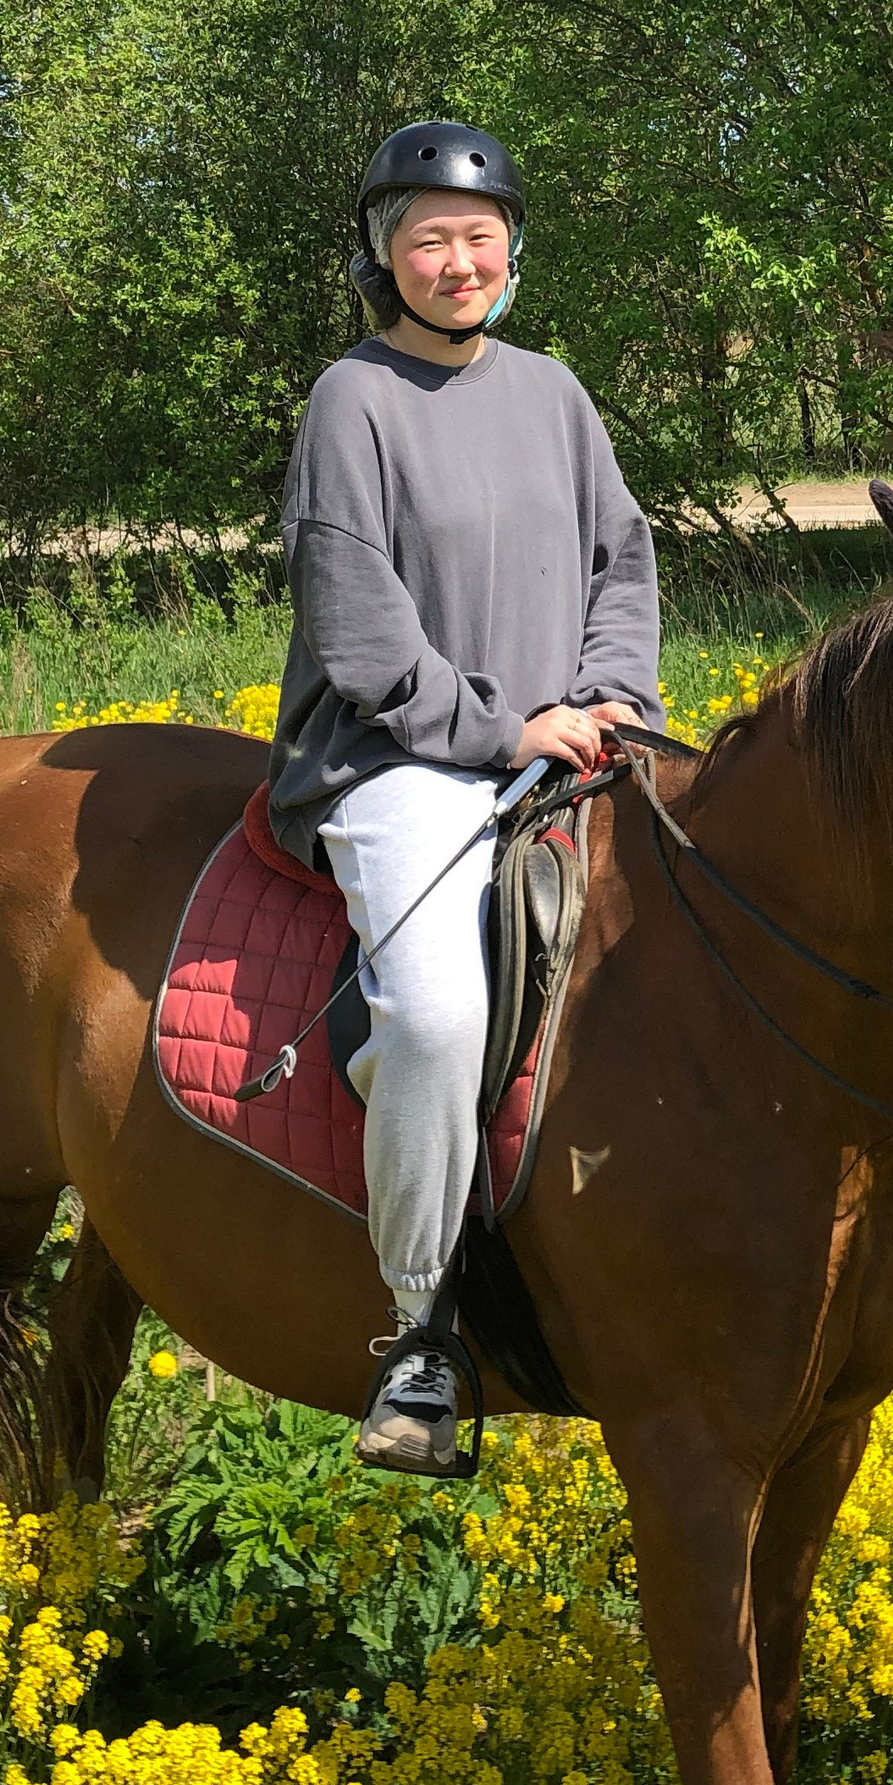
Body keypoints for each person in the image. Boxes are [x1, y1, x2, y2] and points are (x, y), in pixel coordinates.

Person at [266, 121, 664, 1473]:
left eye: (479, 237)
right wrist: (505, 727)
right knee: (437, 1015)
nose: (457, 262)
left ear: (512, 251)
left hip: (569, 742)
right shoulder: (352, 400)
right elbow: (358, 625)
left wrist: (612, 693)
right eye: (428, 238)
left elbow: (623, 559)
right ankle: (423, 1324)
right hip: (401, 761)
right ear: (384, 256)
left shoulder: (553, 393)